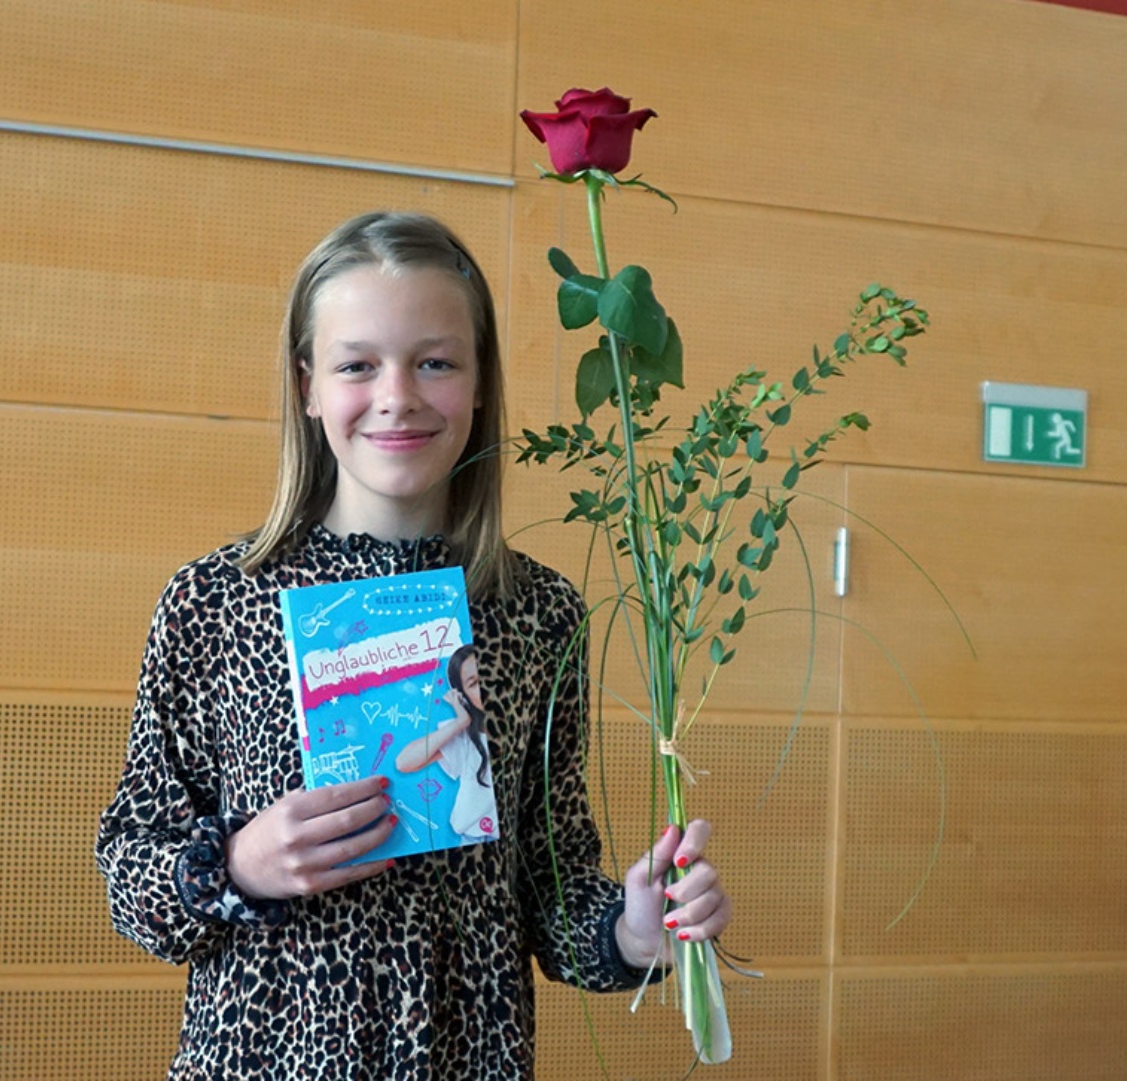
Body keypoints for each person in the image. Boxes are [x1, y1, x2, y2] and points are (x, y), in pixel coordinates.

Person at [95, 211, 731, 1079]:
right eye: (358, 364)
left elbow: (550, 885)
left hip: (471, 1058)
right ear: (308, 384)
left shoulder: (537, 611)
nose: (397, 395)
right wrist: (238, 863)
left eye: (435, 361)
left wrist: (629, 928)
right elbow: (132, 871)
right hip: (261, 1057)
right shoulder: (216, 600)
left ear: (479, 384)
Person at [395, 643, 496, 843]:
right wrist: (460, 722)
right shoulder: (467, 737)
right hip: (478, 839)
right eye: (474, 683)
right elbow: (404, 762)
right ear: (463, 696)